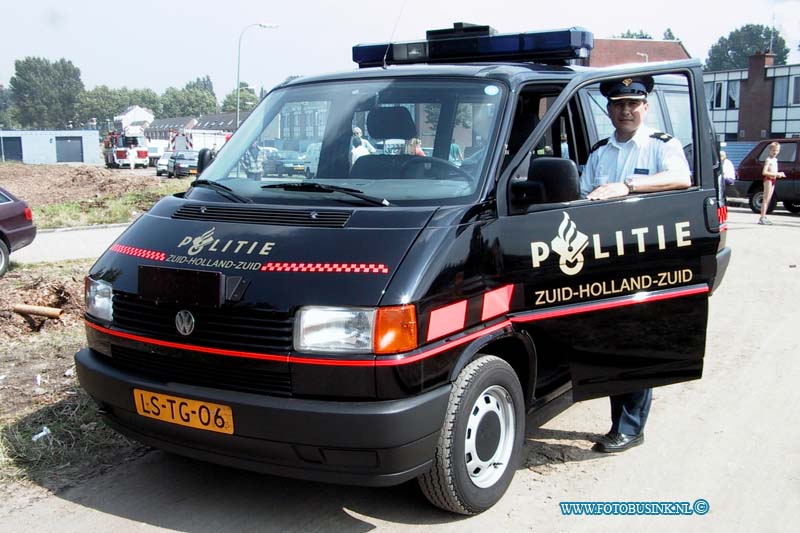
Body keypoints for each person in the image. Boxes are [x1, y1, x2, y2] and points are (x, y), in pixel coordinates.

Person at [580, 76, 691, 454]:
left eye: (633, 103)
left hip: (644, 256)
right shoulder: (599, 153)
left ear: (646, 107)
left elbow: (682, 179)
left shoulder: (662, 146)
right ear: (609, 109)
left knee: (636, 339)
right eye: (618, 104)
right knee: (611, 338)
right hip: (604, 258)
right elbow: (581, 197)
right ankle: (621, 419)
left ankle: (629, 427)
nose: (626, 110)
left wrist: (629, 186)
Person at [758, 141, 786, 225]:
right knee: (765, 199)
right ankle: (762, 217)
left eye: (777, 150)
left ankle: (764, 216)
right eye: (773, 150)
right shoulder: (768, 160)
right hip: (768, 180)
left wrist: (779, 174)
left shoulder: (775, 160)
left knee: (769, 199)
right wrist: (776, 174)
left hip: (773, 180)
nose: (775, 152)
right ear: (769, 150)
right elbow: (764, 172)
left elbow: (774, 170)